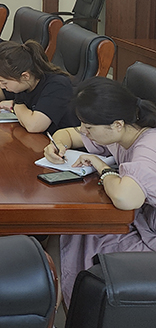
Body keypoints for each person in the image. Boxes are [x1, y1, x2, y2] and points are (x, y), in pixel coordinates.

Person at [43, 77, 156, 306]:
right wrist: (58, 145)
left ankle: (72, 308)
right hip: (139, 221)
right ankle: (59, 307)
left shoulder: (148, 146)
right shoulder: (121, 132)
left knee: (79, 233)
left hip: (149, 236)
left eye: (89, 127)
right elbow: (69, 134)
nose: (84, 131)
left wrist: (102, 167)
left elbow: (125, 198)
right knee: (72, 230)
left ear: (117, 125)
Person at [0, 40, 78, 134]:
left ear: (25, 76)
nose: (2, 86)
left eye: (4, 82)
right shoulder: (25, 81)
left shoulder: (57, 86)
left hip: (62, 145)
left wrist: (15, 105)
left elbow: (34, 126)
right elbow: (1, 90)